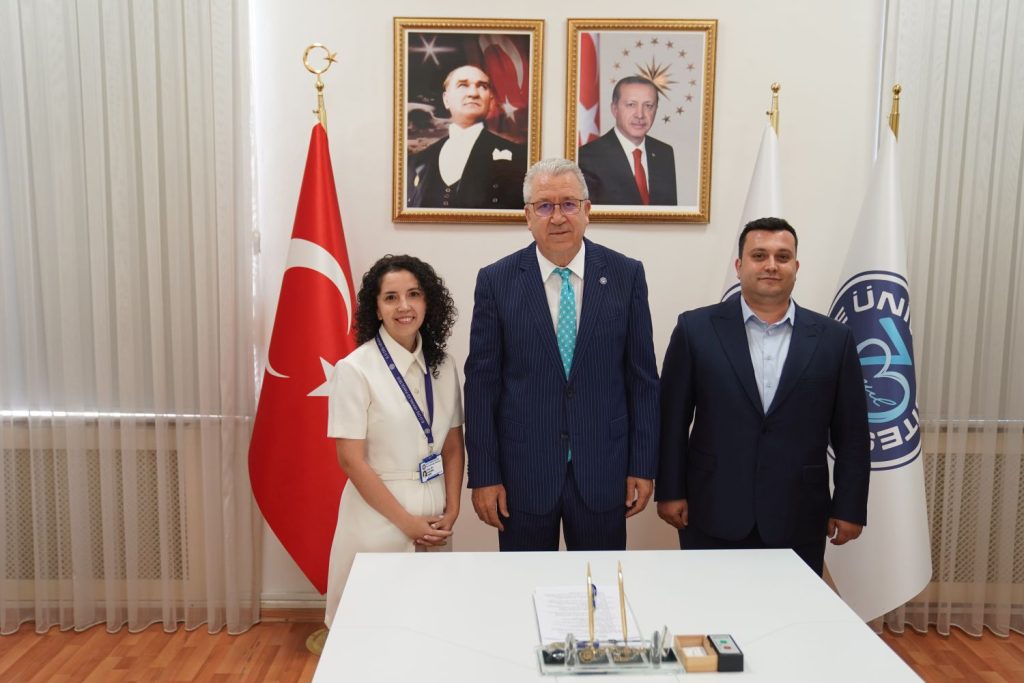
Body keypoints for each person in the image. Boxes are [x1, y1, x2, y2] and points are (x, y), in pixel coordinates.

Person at [464, 158, 659, 551]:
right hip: (523, 473)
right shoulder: (496, 281)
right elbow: (482, 386)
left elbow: (642, 380)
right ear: (527, 215)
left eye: (569, 204)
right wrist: (484, 474)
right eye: (544, 206)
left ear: (587, 210)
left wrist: (642, 464)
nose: (557, 217)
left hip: (604, 469)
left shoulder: (626, 275)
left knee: (599, 583)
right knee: (525, 583)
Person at [655, 217, 870, 575]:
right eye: (759, 255)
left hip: (799, 512)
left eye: (782, 257)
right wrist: (670, 490)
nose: (771, 265)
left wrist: (849, 505)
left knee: (791, 608)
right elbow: (672, 420)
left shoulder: (835, 339)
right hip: (712, 507)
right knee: (710, 604)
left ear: (796, 267)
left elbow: (853, 434)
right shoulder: (695, 330)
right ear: (739, 266)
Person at [323, 255, 464, 627]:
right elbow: (351, 460)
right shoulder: (354, 369)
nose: (404, 306)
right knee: (371, 629)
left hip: (435, 520)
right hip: (378, 521)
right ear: (376, 309)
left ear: (428, 301)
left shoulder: (444, 366)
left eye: (414, 294)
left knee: (432, 627)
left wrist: (452, 508)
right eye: (391, 297)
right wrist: (407, 523)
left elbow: (452, 444)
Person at [407, 64, 526, 210]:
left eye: (482, 86)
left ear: (490, 100)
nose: (473, 93)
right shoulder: (418, 161)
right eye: (463, 85)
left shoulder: (519, 157)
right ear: (446, 100)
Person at [578, 76, 677, 206]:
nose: (640, 115)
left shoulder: (664, 153)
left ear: (656, 109)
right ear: (614, 109)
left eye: (648, 106)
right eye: (631, 105)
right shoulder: (588, 157)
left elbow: (670, 213)